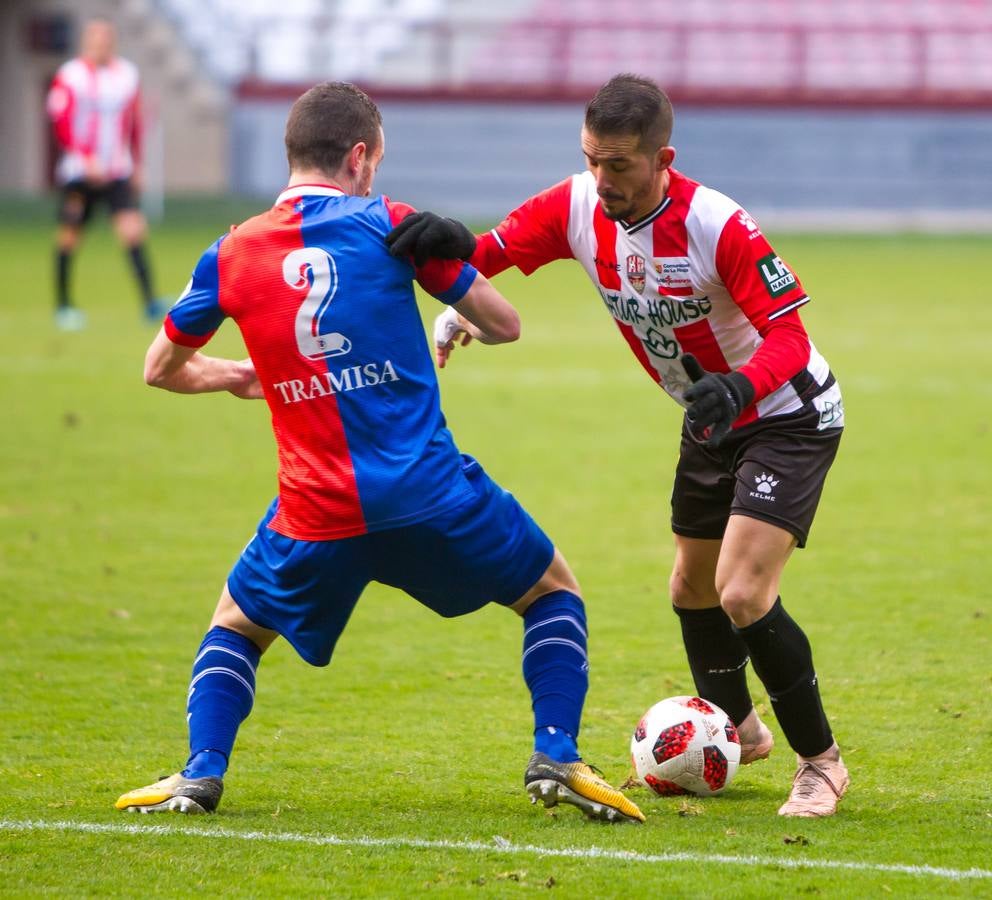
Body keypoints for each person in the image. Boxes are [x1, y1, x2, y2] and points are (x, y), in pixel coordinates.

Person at [114, 82, 644, 825]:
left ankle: (201, 773)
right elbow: (503, 324)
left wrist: (239, 375)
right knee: (552, 590)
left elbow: (159, 368)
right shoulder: (390, 226)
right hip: (431, 495)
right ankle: (555, 750)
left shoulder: (230, 252)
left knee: (236, 621)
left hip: (313, 511)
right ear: (360, 156)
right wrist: (446, 254)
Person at [387, 73, 849, 818]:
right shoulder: (576, 205)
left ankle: (821, 764)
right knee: (689, 591)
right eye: (592, 159)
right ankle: (738, 732)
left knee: (740, 592)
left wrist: (739, 386)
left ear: (662, 157)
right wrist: (452, 272)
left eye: (621, 165)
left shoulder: (717, 224)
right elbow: (490, 252)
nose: (602, 180)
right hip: (712, 417)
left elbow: (789, 336)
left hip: (787, 414)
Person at [46, 17, 163, 331]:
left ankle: (150, 303)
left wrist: (137, 163)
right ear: (87, 42)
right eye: (95, 40)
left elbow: (133, 124)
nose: (101, 45)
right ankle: (63, 306)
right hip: (79, 174)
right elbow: (62, 121)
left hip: (117, 170)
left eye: (105, 40)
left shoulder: (126, 75)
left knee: (133, 231)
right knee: (69, 237)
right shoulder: (70, 76)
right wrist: (84, 157)